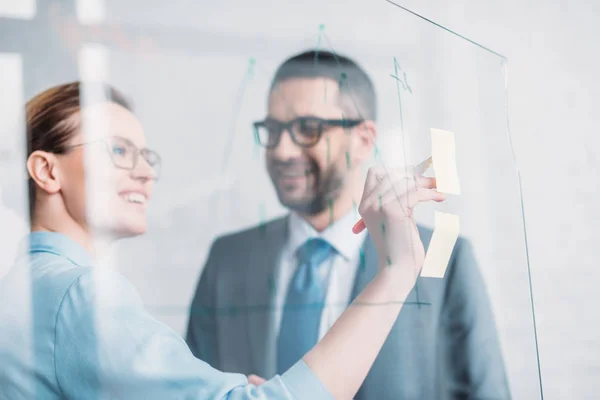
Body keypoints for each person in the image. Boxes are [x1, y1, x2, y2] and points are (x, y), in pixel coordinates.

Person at [0, 81, 445, 399]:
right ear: (47, 170)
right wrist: (396, 272)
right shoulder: (79, 294)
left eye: (146, 155)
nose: (147, 172)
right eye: (118, 151)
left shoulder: (24, 290)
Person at [186, 50, 510, 399]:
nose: (281, 150)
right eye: (273, 129)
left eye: (307, 129)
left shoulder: (442, 261)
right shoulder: (228, 259)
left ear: (364, 141)